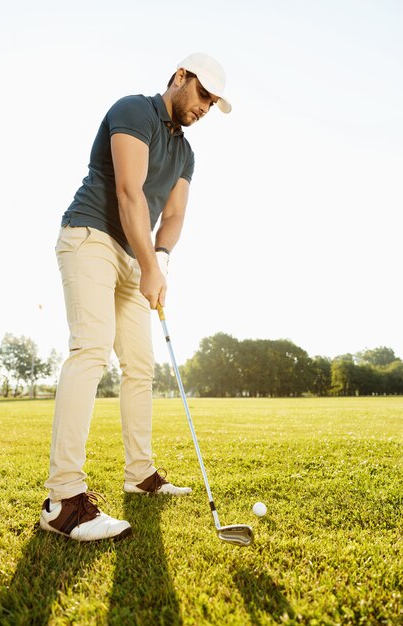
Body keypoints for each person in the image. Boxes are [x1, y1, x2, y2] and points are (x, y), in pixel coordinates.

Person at [40, 52, 232, 541]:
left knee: (141, 366)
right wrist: (148, 265)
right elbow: (129, 193)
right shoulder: (133, 110)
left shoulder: (187, 153)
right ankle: (63, 500)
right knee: (91, 348)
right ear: (180, 77)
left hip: (134, 254)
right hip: (90, 236)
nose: (206, 107)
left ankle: (140, 475)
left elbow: (173, 216)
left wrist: (159, 261)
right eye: (203, 95)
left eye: (213, 102)